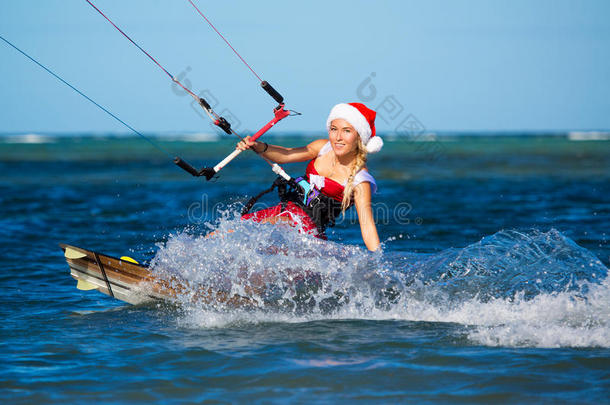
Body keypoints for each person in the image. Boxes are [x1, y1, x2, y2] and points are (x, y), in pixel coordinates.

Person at [237, 102, 383, 251]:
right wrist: (257, 145)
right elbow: (286, 154)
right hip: (283, 211)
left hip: (306, 230)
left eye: (346, 131)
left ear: (359, 136)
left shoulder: (360, 180)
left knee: (265, 228)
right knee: (230, 232)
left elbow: (367, 226)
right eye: (333, 129)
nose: (338, 137)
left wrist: (377, 264)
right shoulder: (323, 148)